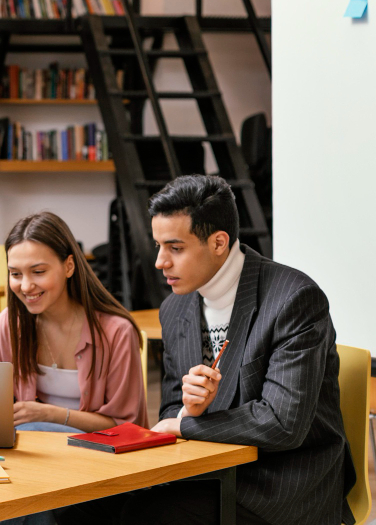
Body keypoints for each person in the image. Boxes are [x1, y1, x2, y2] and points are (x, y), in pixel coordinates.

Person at [57, 175, 355, 525]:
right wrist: (191, 409)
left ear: (218, 242)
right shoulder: (175, 309)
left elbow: (282, 423)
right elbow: (172, 410)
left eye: (175, 248)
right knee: (77, 503)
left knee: (151, 516)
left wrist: (186, 425)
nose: (160, 262)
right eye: (158, 246)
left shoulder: (294, 298)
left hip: (281, 484)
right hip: (204, 469)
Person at [0, 211, 147, 435]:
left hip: (103, 457)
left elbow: (125, 425)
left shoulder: (117, 332)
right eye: (15, 274)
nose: (25, 286)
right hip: (37, 454)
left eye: (38, 272)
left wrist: (50, 414)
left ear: (69, 266)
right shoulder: (7, 325)